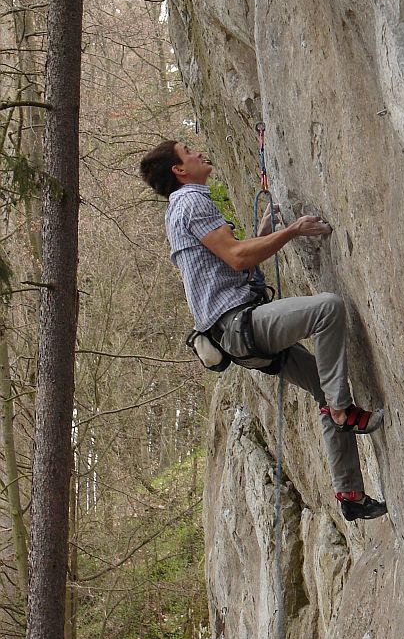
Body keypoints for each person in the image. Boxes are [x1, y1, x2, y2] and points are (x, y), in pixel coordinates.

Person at [139, 140, 387, 522]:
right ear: (179, 170)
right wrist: (292, 231)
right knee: (327, 308)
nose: (200, 152)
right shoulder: (191, 201)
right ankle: (341, 410)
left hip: (233, 337)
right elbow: (238, 257)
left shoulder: (177, 211)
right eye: (189, 151)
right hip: (240, 325)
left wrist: (260, 233)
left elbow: (229, 265)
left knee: (324, 383)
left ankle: (350, 494)